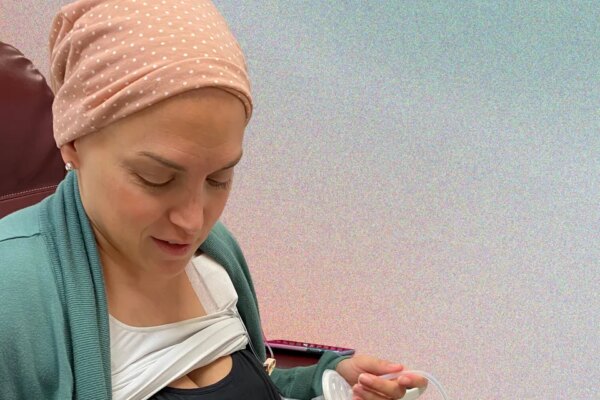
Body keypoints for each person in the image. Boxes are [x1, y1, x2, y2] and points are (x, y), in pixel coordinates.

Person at [0, 1, 427, 399]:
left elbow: (254, 376)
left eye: (219, 179)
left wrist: (322, 380)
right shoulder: (13, 301)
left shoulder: (216, 253)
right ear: (73, 141)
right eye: (155, 178)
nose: (193, 222)